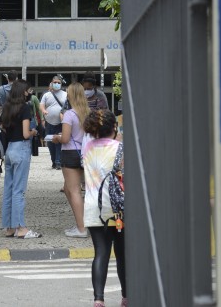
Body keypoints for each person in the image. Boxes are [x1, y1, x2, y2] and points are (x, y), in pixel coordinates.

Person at [83, 110, 126, 307]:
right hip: (118, 208)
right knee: (122, 253)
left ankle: (98, 299)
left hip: (93, 208)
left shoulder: (87, 148)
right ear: (114, 128)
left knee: (101, 252)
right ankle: (126, 296)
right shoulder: (121, 148)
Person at [0, 81, 41, 239]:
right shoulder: (25, 108)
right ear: (23, 92)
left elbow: (2, 126)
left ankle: (9, 227)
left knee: (9, 189)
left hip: (9, 149)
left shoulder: (7, 107)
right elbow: (25, 134)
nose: (29, 92)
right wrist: (33, 132)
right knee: (19, 191)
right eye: (27, 90)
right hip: (21, 148)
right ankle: (21, 227)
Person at [54, 82, 90, 238]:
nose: (66, 95)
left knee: (73, 190)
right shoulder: (88, 113)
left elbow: (66, 138)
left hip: (70, 153)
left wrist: (57, 138)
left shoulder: (69, 114)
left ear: (72, 95)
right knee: (69, 189)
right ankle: (81, 223)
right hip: (85, 154)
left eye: (68, 92)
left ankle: (82, 228)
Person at [40, 75, 67, 169]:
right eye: (54, 82)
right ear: (51, 83)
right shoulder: (46, 95)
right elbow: (42, 105)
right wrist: (43, 111)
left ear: (61, 84)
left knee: (59, 142)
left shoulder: (65, 94)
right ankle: (53, 160)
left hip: (61, 123)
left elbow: (67, 107)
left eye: (58, 83)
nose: (56, 84)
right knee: (51, 143)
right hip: (49, 122)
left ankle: (58, 162)